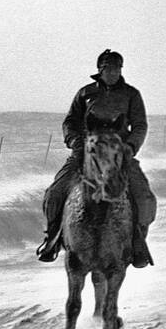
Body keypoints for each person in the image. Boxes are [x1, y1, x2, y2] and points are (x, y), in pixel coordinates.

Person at [36, 49, 156, 266]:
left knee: (145, 198)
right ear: (100, 70)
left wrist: (130, 146)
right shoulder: (85, 93)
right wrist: (75, 141)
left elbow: (140, 125)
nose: (113, 73)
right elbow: (70, 122)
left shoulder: (131, 94)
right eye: (108, 69)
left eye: (117, 69)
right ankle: (52, 238)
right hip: (85, 153)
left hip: (118, 155)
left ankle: (138, 243)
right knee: (54, 194)